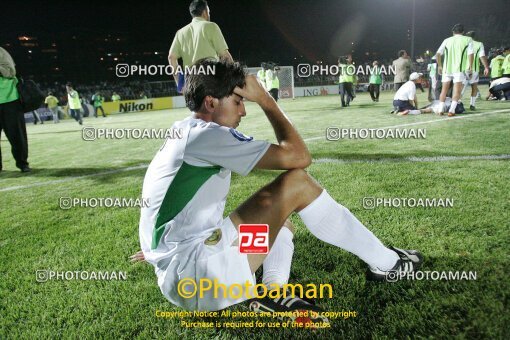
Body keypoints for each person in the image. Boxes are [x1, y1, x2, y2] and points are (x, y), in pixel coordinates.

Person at [137, 59, 423, 315]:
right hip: (200, 275)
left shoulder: (184, 130)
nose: (244, 111)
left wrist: (158, 251)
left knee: (281, 222)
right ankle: (388, 265)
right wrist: (265, 99)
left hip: (184, 275)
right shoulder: (208, 136)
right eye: (238, 101)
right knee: (296, 183)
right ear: (211, 103)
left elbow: (157, 202)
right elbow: (299, 157)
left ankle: (273, 291)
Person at [168, 0, 233, 93]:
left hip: (191, 83)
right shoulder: (211, 26)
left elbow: (171, 57)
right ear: (205, 12)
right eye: (209, 12)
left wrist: (180, 83)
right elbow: (225, 56)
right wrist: (233, 78)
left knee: (197, 107)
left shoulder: (180, 33)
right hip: (211, 80)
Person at [0, 47, 30, 172]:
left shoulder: (1, 52)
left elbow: (10, 72)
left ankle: (22, 163)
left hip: (9, 100)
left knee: (16, 135)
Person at [435, 23, 474, 116]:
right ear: (463, 32)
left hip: (446, 69)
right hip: (459, 69)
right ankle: (451, 111)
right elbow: (471, 54)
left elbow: (438, 54)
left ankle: (440, 109)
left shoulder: (447, 40)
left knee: (444, 90)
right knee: (457, 91)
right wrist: (470, 66)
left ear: (453, 32)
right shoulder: (468, 39)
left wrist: (440, 66)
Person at [460, 31, 489, 110]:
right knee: (474, 87)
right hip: (474, 69)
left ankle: (458, 103)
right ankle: (472, 105)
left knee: (461, 87)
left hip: (462, 69)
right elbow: (482, 56)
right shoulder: (479, 44)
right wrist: (486, 67)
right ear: (475, 36)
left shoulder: (463, 44)